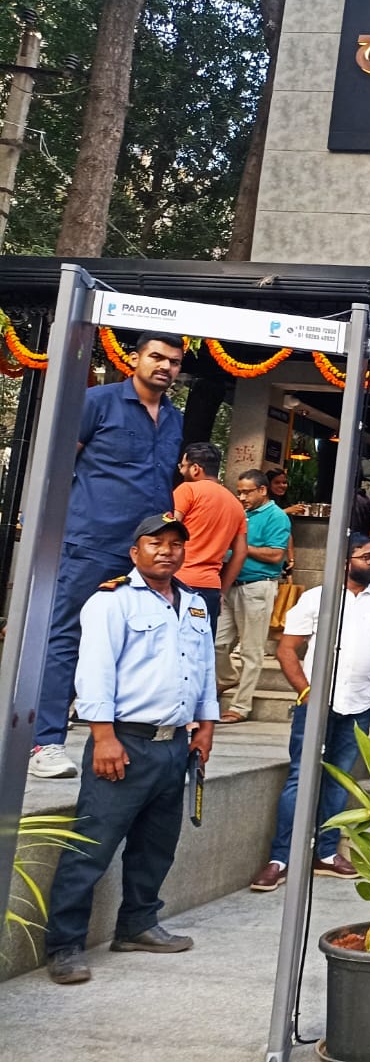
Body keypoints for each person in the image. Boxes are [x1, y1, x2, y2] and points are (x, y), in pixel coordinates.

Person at [42, 513, 217, 984]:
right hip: (123, 743)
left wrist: (206, 726)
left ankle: (138, 924)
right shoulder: (111, 602)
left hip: (173, 745)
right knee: (90, 850)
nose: (167, 550)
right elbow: (94, 671)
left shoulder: (194, 605)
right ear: (134, 551)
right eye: (155, 542)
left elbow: (203, 668)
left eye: (176, 543)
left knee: (156, 846)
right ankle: (64, 945)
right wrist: (102, 737)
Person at [30, 331, 186, 780]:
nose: (165, 366)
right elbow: (58, 464)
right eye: (156, 357)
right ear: (134, 359)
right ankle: (45, 742)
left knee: (136, 637)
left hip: (145, 548)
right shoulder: (97, 402)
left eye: (173, 362)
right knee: (66, 637)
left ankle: (117, 738)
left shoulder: (174, 417)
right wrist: (49, 528)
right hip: (90, 538)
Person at [250, 535, 370, 893]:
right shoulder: (315, 599)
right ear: (344, 560)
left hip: (358, 706)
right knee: (300, 777)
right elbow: (287, 649)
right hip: (316, 707)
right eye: (366, 556)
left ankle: (325, 853)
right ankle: (281, 858)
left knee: (340, 779)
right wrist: (305, 691)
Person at [214, 469, 292, 725]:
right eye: (239, 491)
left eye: (247, 491)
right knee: (217, 643)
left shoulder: (277, 516)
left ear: (262, 490)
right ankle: (226, 678)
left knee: (251, 649)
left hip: (257, 585)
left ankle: (241, 706)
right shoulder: (241, 513)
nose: (241, 496)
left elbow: (275, 555)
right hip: (230, 583)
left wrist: (240, 548)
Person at [172, 442, 247, 627]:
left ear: (195, 468)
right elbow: (241, 553)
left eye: (182, 466)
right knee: (201, 650)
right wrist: (222, 591)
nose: (181, 472)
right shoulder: (236, 505)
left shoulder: (187, 490)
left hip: (177, 582)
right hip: (210, 588)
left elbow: (169, 531)